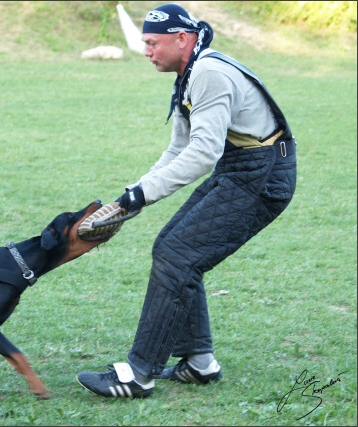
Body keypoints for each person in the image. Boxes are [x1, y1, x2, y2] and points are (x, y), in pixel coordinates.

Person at [76, 3, 297, 398]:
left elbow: (202, 154)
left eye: (152, 43)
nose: (146, 52)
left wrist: (140, 194)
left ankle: (138, 374)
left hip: (262, 176)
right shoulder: (191, 71)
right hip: (241, 169)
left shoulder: (209, 73)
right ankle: (198, 362)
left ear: (182, 38)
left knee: (179, 255)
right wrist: (132, 196)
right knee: (172, 249)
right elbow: (179, 149)